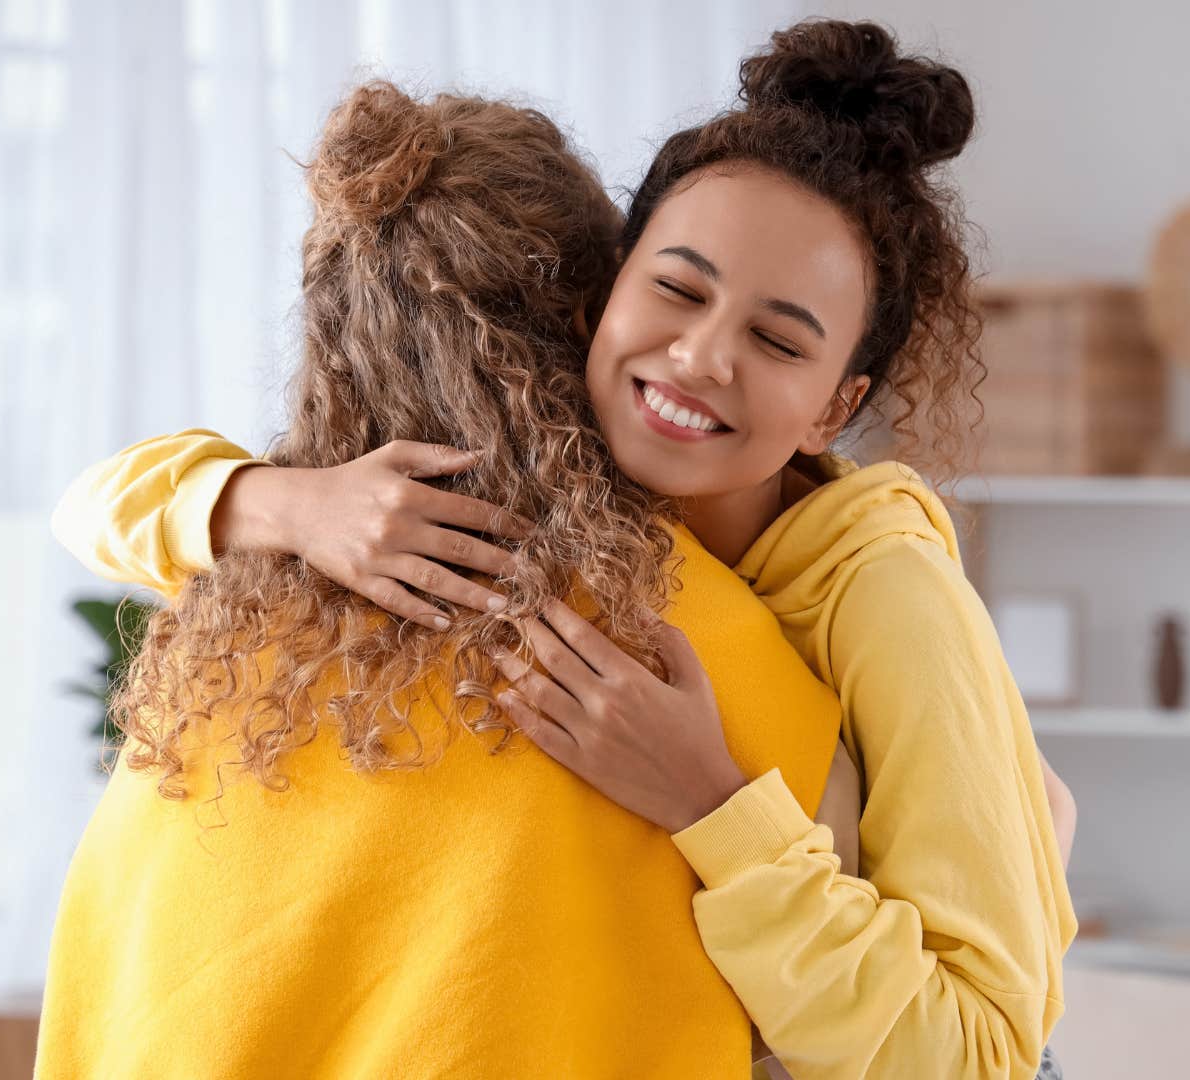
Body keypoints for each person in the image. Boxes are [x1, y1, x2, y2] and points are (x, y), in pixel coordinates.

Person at [57, 20, 1078, 1079]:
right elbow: (93, 506)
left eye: (777, 341)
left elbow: (987, 1052)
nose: (697, 358)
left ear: (837, 408)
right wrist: (283, 505)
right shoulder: (566, 497)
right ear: (602, 292)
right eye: (678, 289)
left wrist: (708, 804)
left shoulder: (888, 597)